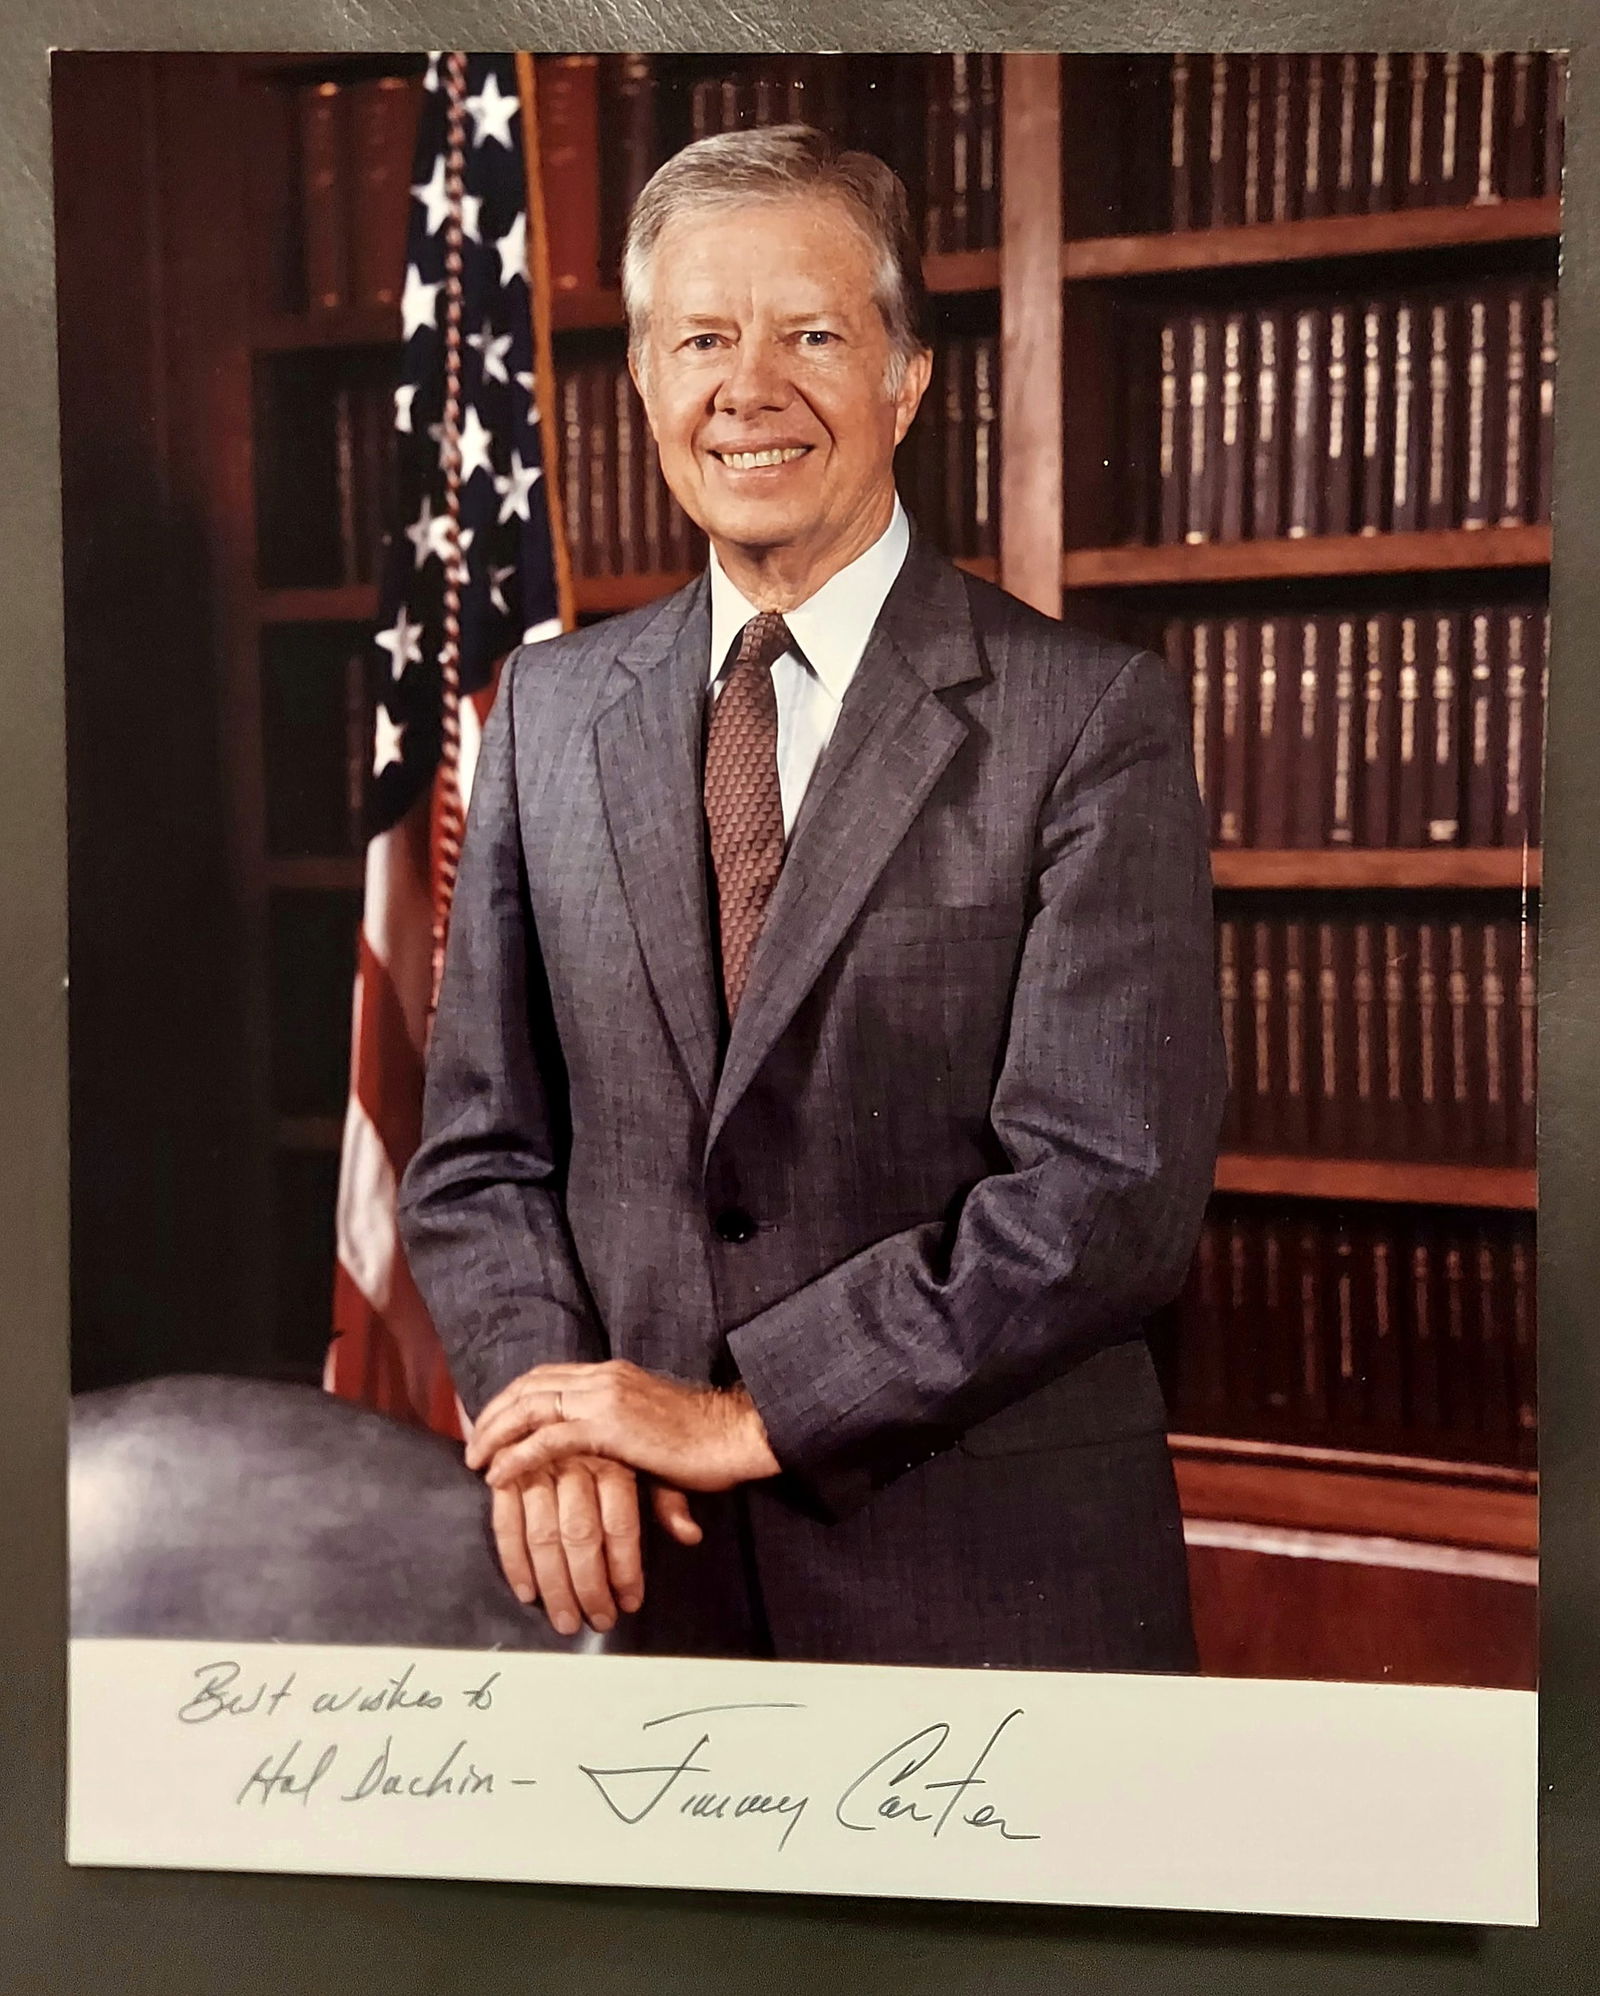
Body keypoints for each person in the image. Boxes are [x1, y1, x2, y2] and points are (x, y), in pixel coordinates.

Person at [397, 124, 1226, 1672]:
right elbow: (476, 1154)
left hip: (984, 1593)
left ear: (907, 375)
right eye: (703, 337)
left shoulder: (1088, 716)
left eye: (815, 334)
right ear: (644, 382)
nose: (749, 387)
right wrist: (559, 1414)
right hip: (634, 1586)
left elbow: (1110, 1194)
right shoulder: (551, 712)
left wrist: (747, 1410)